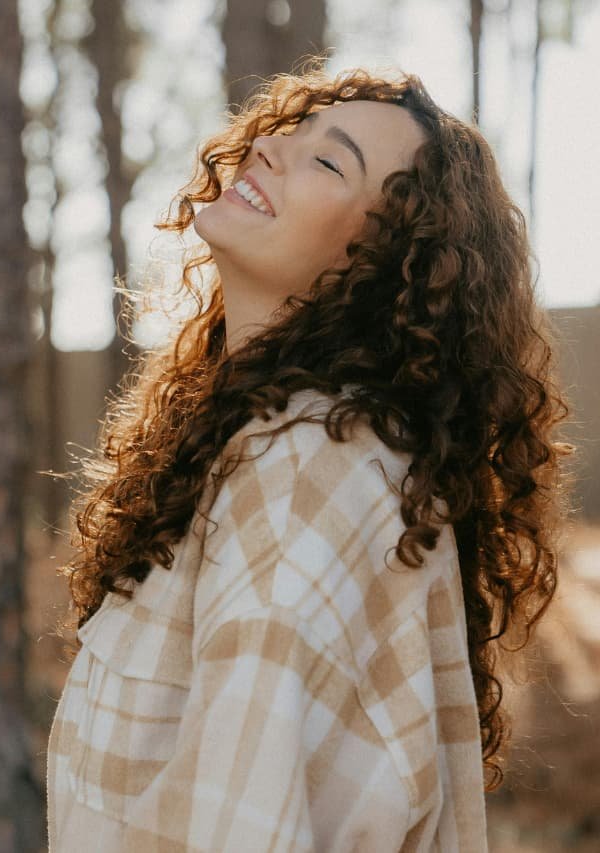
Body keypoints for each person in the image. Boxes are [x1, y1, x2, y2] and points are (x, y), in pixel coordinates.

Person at [46, 61, 575, 851]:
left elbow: (239, 828)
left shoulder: (309, 466)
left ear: (385, 269)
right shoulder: (255, 441)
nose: (270, 148)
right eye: (290, 129)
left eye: (330, 160)